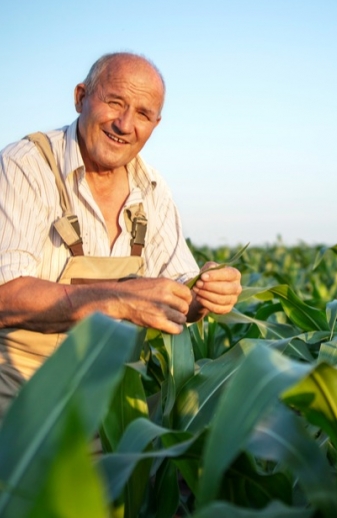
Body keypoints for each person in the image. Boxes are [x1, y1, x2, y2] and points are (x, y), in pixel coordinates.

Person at [0, 52, 242, 420]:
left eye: (143, 114)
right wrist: (119, 298)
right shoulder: (27, 165)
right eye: (115, 102)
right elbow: (6, 297)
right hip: (20, 402)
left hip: (112, 407)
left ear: (155, 124)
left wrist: (204, 293)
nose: (125, 124)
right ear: (81, 97)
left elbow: (180, 291)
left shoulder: (152, 188)